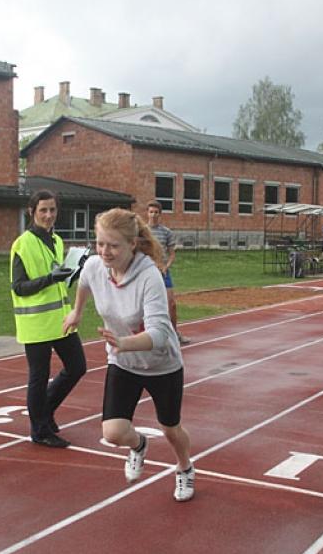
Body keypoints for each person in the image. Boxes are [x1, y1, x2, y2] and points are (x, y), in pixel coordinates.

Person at [63, 208, 195, 502]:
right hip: (123, 362)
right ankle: (139, 445)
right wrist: (77, 311)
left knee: (171, 428)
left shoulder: (150, 277)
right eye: (100, 243)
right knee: (113, 432)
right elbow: (84, 282)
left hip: (161, 364)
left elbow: (161, 334)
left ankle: (185, 468)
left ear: (132, 244)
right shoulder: (95, 266)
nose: (104, 252)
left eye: (113, 245)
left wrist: (124, 341)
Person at [10, 189, 87, 448]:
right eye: (43, 210)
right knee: (38, 377)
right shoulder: (22, 244)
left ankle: (45, 412)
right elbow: (19, 287)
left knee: (77, 367)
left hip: (60, 319)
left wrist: (73, 273)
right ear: (32, 212)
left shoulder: (56, 241)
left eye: (52, 210)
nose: (49, 215)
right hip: (35, 323)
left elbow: (59, 283)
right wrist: (49, 279)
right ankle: (40, 430)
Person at [146, 200, 191, 345]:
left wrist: (166, 266)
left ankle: (175, 333)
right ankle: (147, 334)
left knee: (171, 304)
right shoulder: (142, 231)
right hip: (147, 271)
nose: (153, 215)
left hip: (163, 271)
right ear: (147, 213)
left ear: (160, 214)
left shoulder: (166, 232)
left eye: (156, 212)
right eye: (151, 212)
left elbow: (171, 254)